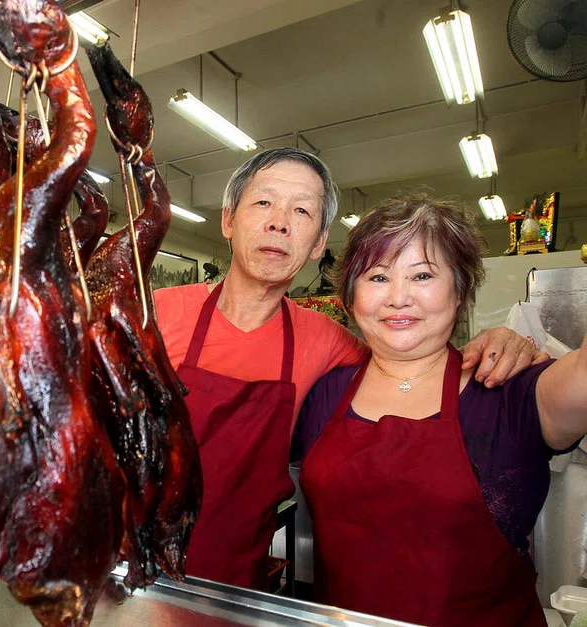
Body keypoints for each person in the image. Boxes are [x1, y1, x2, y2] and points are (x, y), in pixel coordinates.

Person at [153, 148, 546, 591]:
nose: (279, 222)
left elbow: (411, 355)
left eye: (301, 210)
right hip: (125, 561)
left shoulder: (325, 339)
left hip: (234, 584)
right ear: (228, 220)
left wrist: (503, 339)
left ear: (318, 243)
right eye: (263, 202)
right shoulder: (151, 315)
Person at [292, 193, 586, 625]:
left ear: (460, 290)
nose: (398, 298)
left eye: (422, 275)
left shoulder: (511, 392)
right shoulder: (322, 392)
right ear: (350, 296)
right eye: (378, 277)